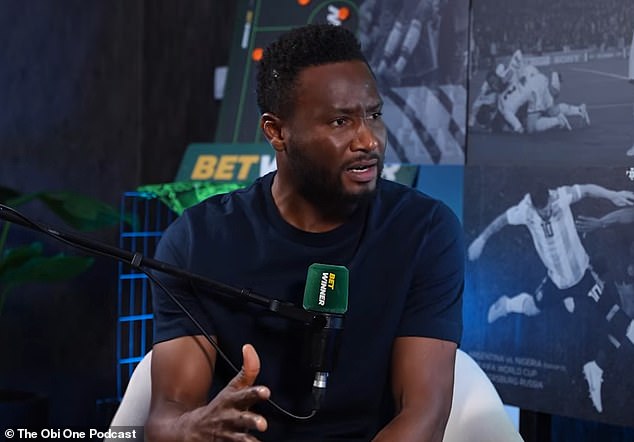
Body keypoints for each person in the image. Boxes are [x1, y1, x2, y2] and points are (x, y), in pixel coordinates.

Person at [145, 24, 464, 441]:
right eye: (340, 121)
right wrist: (192, 428)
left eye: (374, 115)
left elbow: (423, 415)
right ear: (276, 132)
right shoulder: (197, 241)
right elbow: (165, 417)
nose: (369, 140)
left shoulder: (424, 230)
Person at [468, 182, 634, 413]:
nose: (547, 213)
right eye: (542, 212)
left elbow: (587, 189)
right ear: (534, 207)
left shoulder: (561, 198)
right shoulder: (525, 211)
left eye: (548, 209)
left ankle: (595, 369)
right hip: (556, 281)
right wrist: (482, 239)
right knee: (532, 308)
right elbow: (502, 220)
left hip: (583, 278)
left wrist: (612, 194)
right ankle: (506, 304)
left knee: (618, 318)